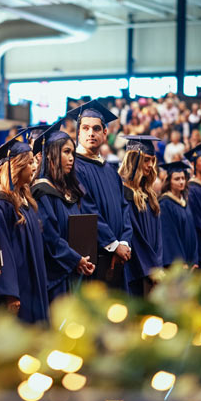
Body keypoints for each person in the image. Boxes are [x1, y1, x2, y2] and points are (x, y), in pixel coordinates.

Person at [0, 130, 49, 321]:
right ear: (16, 166)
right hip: (18, 286)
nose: (34, 166)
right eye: (29, 162)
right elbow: (2, 248)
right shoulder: (0, 202)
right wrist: (10, 292)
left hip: (33, 279)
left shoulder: (24, 198)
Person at [72, 100, 132, 290]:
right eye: (86, 128)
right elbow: (87, 209)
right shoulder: (74, 167)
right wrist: (113, 245)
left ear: (105, 133)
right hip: (94, 259)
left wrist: (124, 241)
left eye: (96, 128)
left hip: (118, 257)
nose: (91, 133)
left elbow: (125, 208)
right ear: (78, 132)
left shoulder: (111, 171)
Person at [31, 128, 95, 302]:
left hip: (74, 268)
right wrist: (76, 259)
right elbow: (50, 238)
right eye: (66, 152)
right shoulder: (42, 192)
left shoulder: (70, 191)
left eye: (73, 153)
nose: (72, 158)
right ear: (51, 155)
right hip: (56, 276)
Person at [118, 135, 162, 297]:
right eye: (146, 160)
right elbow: (134, 235)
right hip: (136, 268)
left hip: (153, 266)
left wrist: (158, 264)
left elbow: (158, 236)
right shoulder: (123, 191)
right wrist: (151, 266)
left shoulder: (149, 194)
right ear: (133, 160)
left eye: (152, 160)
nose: (150, 165)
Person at [159, 160, 198, 267]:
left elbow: (192, 233)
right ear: (169, 181)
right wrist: (181, 262)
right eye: (177, 179)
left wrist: (194, 260)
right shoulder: (165, 204)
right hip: (178, 264)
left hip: (190, 261)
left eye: (183, 178)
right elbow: (170, 237)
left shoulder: (184, 202)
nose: (181, 182)